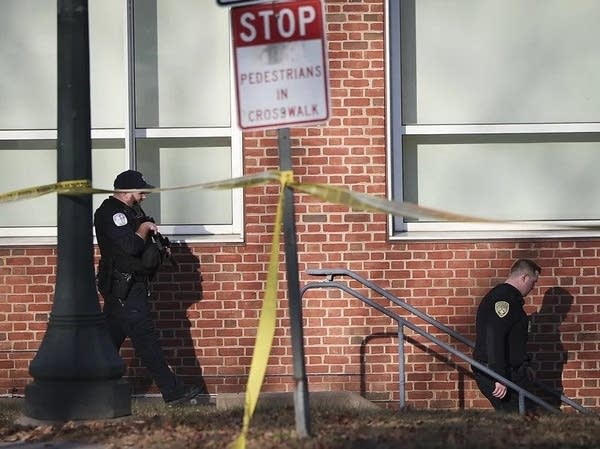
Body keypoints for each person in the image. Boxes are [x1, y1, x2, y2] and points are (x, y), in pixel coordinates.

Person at [94, 169, 205, 406]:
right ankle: (173, 392)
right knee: (146, 341)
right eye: (141, 191)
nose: (144, 195)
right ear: (125, 191)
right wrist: (144, 228)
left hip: (130, 286)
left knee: (107, 343)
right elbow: (130, 246)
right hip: (124, 286)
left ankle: (87, 388)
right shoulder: (111, 213)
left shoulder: (131, 211)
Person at [472, 259, 541, 412]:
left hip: (508, 371)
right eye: (533, 282)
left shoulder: (511, 298)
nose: (533, 288)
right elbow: (494, 337)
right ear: (524, 277)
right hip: (498, 372)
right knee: (520, 418)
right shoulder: (504, 299)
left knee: (527, 416)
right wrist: (499, 377)